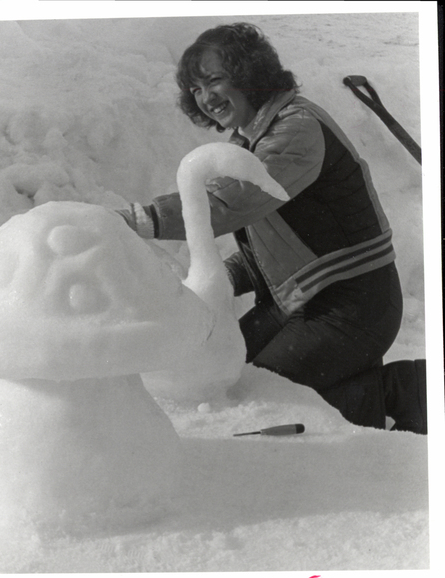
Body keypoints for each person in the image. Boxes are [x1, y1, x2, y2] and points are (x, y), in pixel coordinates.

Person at [119, 22, 427, 434]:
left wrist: (143, 219)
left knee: (258, 390)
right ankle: (369, 400)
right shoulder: (250, 140)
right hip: (304, 302)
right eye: (195, 89)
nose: (206, 98)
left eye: (214, 81)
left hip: (355, 304)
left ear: (249, 74)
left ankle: (414, 391)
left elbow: (234, 202)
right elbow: (279, 245)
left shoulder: (295, 129)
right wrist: (225, 276)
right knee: (229, 372)